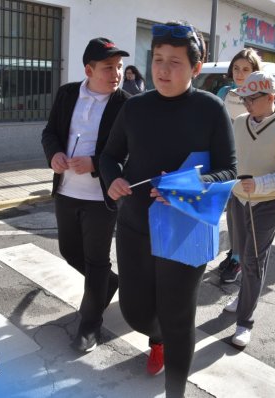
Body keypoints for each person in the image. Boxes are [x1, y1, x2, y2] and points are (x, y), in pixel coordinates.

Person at [100, 21, 236, 398]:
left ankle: (175, 390)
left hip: (185, 228)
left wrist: (186, 187)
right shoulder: (135, 107)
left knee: (178, 318)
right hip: (134, 226)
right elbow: (110, 156)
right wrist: (110, 179)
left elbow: (229, 170)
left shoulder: (211, 109)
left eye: (175, 62)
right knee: (135, 311)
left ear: (196, 67)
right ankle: (155, 336)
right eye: (158, 59)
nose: (162, 69)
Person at [41, 37, 130, 353]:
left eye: (118, 67)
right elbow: (50, 132)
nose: (116, 73)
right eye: (108, 67)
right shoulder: (67, 94)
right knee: (69, 251)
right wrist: (54, 154)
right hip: (66, 192)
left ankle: (89, 326)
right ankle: (108, 283)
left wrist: (95, 163)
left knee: (95, 262)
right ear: (89, 70)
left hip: (101, 199)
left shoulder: (125, 104)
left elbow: (130, 152)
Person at [222, 71, 275, 347]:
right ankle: (244, 296)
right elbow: (230, 156)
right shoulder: (239, 122)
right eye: (244, 98)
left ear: (271, 98)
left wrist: (261, 184)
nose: (246, 104)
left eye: (252, 98)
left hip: (269, 202)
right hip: (238, 198)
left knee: (255, 260)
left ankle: (245, 322)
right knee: (242, 254)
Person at [216, 48, 262, 284]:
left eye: (246, 69)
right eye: (236, 68)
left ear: (255, 72)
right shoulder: (225, 92)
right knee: (232, 212)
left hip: (250, 162)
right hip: (228, 160)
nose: (240, 73)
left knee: (245, 214)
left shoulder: (260, 95)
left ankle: (240, 260)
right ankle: (234, 253)